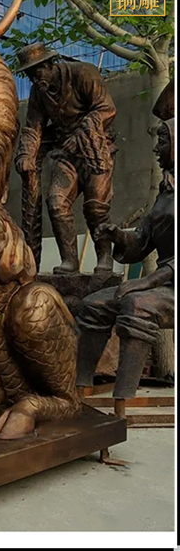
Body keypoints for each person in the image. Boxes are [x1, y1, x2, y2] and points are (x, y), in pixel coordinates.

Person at [75, 116, 174, 400]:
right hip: (165, 286)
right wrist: (117, 235)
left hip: (168, 285)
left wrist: (147, 282)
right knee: (93, 304)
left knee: (137, 304)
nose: (156, 148)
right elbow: (141, 243)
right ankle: (78, 390)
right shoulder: (165, 195)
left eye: (163, 141)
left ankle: (123, 400)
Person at [14, 42, 118, 274]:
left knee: (96, 208)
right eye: (29, 74)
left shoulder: (84, 73)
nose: (34, 78)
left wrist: (80, 135)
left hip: (95, 150)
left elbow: (107, 109)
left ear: (51, 64)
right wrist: (27, 153)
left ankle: (105, 258)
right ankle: (69, 261)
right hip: (66, 154)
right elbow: (33, 126)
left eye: (37, 71)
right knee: (56, 202)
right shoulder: (38, 92)